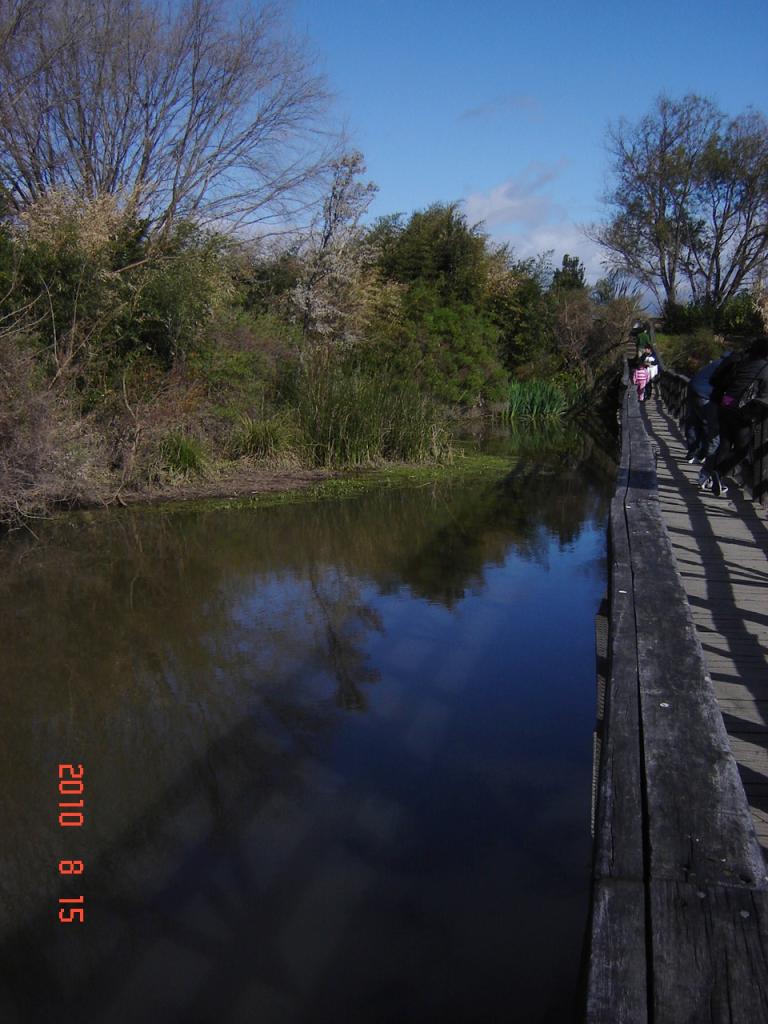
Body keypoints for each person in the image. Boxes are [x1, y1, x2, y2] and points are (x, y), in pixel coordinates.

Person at [699, 336, 768, 497]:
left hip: (725, 404)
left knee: (724, 444)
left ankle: (713, 477)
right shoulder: (764, 367)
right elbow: (764, 394)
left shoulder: (744, 361)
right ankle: (718, 473)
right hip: (741, 410)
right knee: (742, 450)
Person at [684, 349, 734, 463]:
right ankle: (709, 458)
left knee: (694, 422)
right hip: (705, 394)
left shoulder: (717, 362)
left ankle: (693, 452)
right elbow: (730, 387)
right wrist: (729, 403)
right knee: (711, 426)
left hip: (693, 389)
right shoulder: (728, 366)